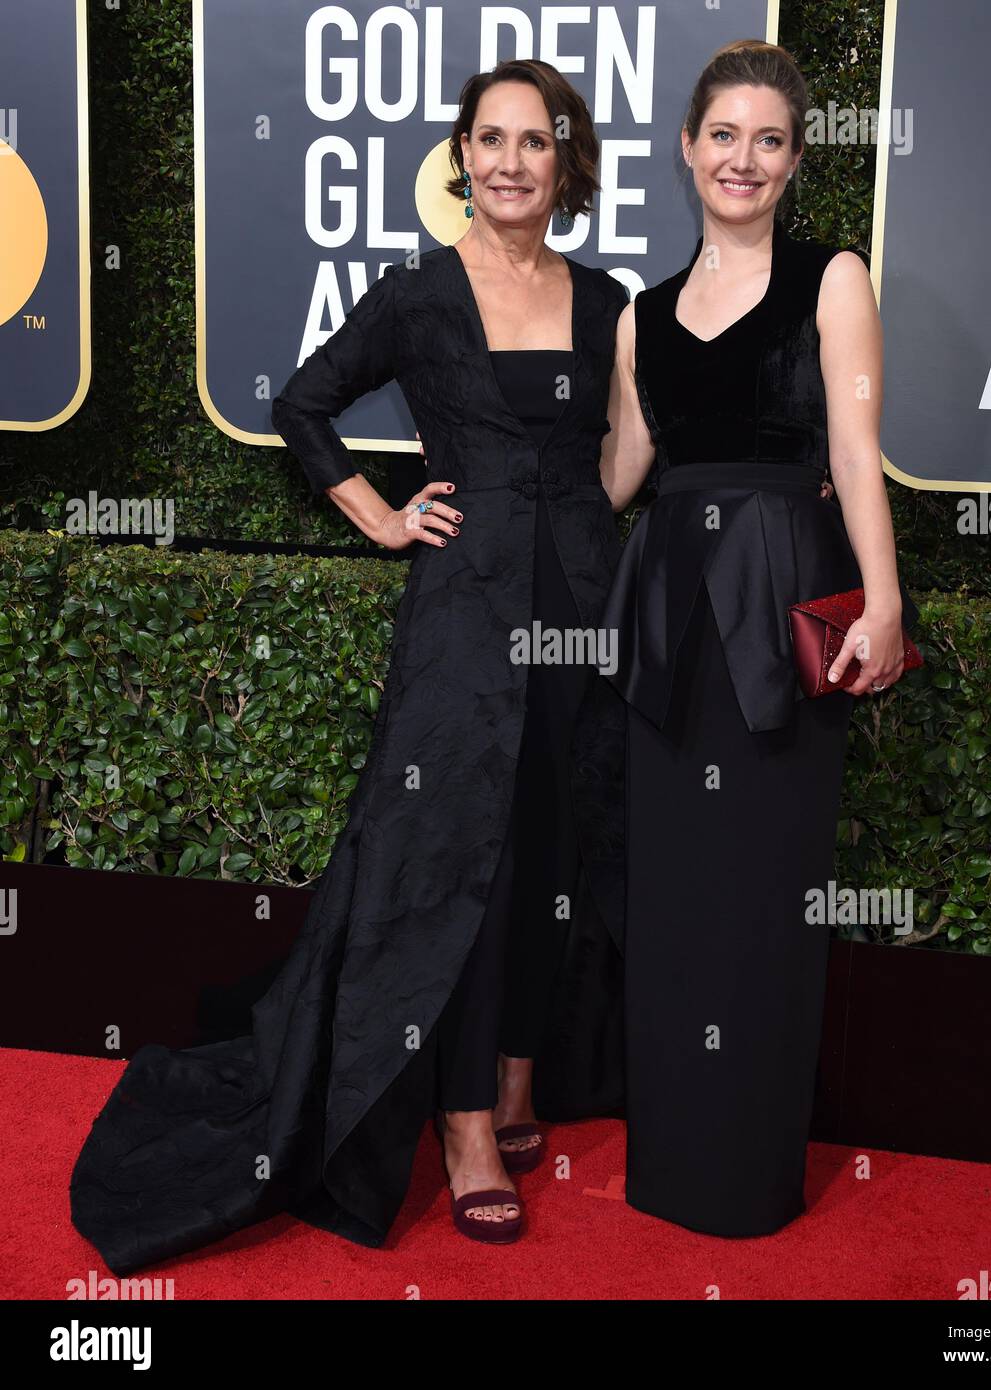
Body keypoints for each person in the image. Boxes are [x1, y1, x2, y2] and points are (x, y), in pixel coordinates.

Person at [69, 58, 628, 1271]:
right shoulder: (422, 293)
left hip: (582, 610)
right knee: (456, 860)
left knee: (549, 844)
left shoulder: (605, 299)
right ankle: (466, 1121)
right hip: (464, 622)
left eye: (536, 141)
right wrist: (377, 514)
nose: (512, 162)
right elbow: (304, 403)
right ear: (462, 158)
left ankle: (524, 1074)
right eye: (491, 139)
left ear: (564, 162)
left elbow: (616, 459)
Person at [598, 39, 920, 1237]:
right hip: (672, 612)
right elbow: (623, 475)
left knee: (766, 894)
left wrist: (882, 603)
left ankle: (744, 1178)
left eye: (769, 140)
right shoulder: (638, 318)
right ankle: (674, 1162)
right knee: (676, 895)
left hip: (782, 600)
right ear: (688, 148)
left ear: (792, 161)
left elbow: (853, 452)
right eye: (722, 135)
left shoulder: (834, 278)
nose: (743, 158)